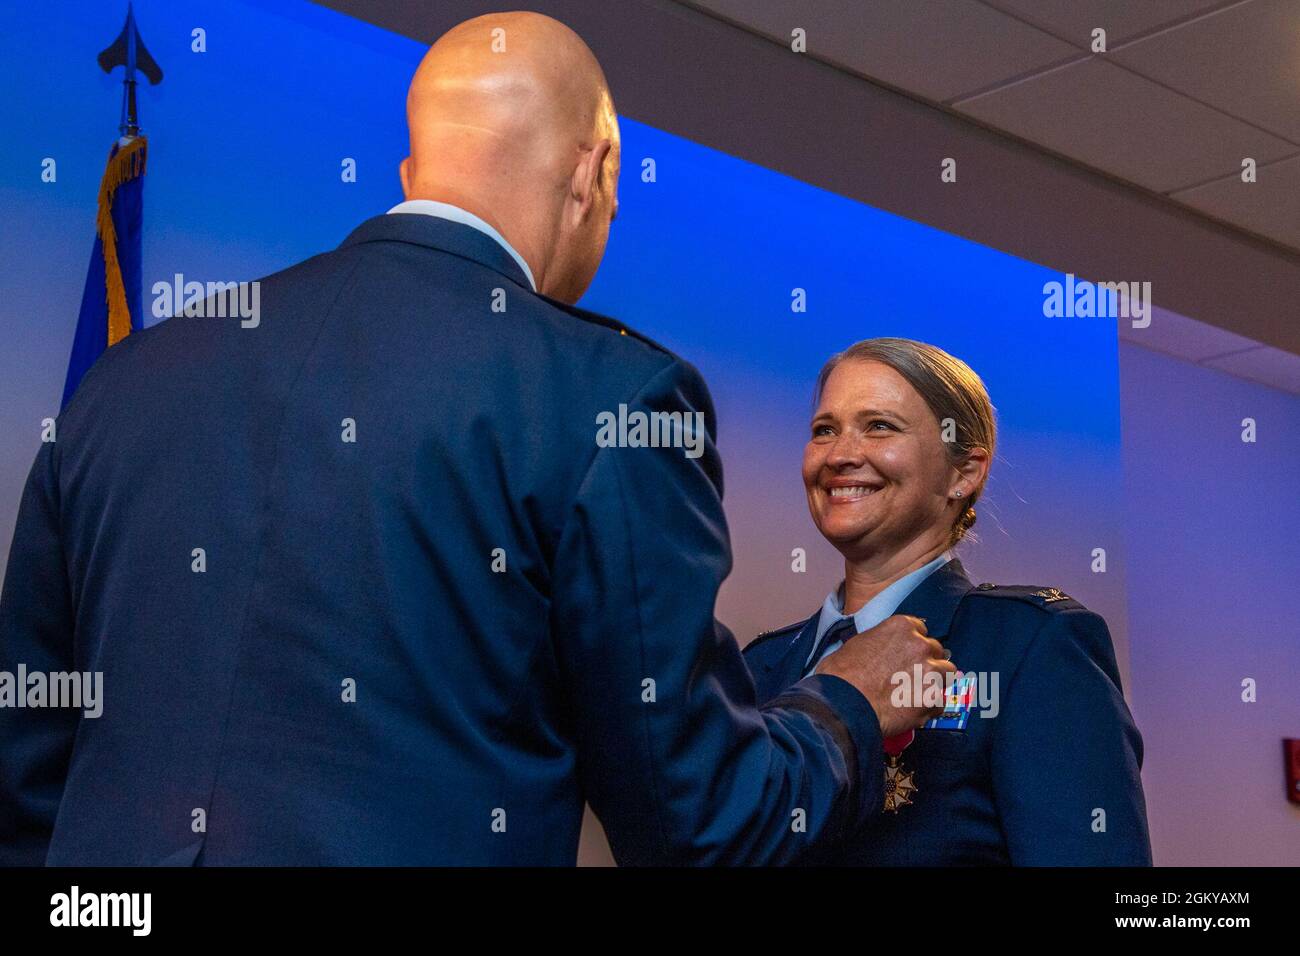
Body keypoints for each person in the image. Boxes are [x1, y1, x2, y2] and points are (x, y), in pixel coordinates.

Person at [0, 14, 953, 866]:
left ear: (413, 174)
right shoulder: (612, 395)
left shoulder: (124, 382)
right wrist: (847, 708)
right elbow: (695, 825)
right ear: (597, 171)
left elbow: (26, 772)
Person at [744, 338, 1152, 864]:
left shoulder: (1029, 645)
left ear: (964, 472)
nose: (841, 455)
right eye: (825, 430)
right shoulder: (757, 669)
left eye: (879, 426)